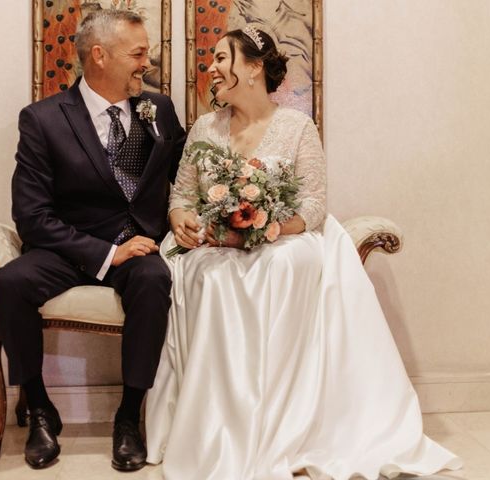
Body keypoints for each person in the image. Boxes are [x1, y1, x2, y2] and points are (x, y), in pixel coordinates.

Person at [145, 27, 463, 479]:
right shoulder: (205, 128)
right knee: (209, 276)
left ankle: (283, 418)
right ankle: (218, 425)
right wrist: (182, 219)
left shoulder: (297, 127)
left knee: (282, 264)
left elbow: (313, 205)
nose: (211, 68)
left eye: (221, 58)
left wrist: (265, 227)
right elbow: (182, 195)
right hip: (216, 245)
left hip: (283, 239)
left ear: (253, 67)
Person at [0, 9, 186, 471]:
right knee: (11, 283)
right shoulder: (42, 120)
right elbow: (31, 216)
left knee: (153, 280)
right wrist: (105, 253)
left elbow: (185, 177)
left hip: (140, 247)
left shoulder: (158, 109)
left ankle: (127, 417)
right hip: (69, 248)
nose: (147, 63)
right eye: (138, 53)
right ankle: (39, 408)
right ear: (98, 56)